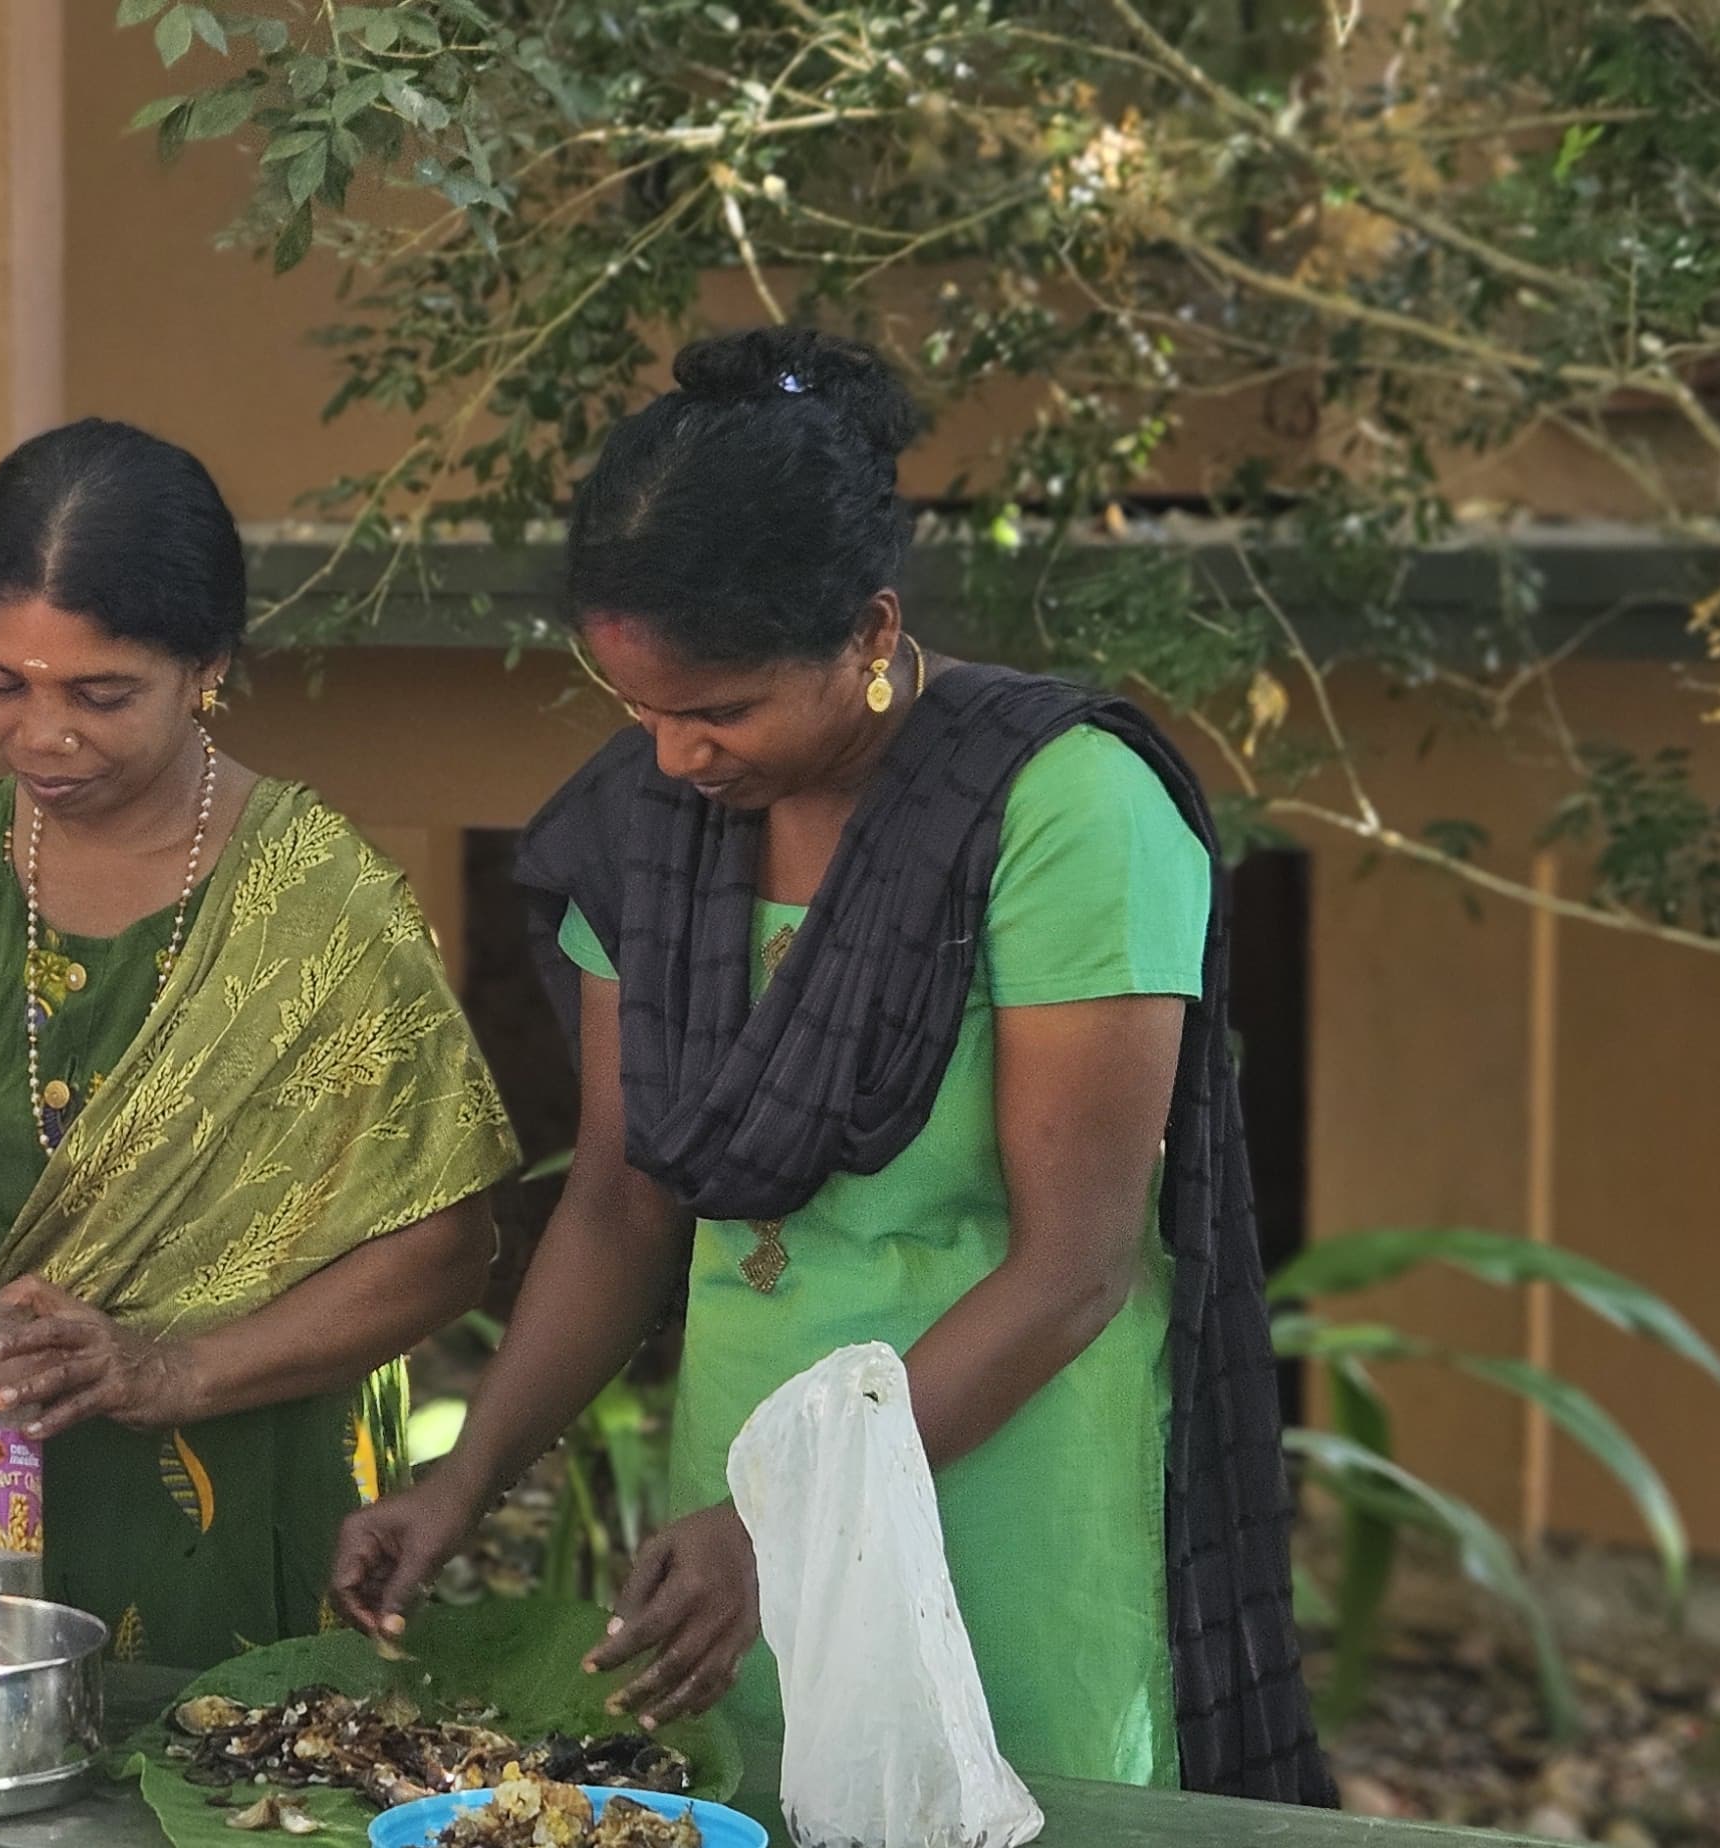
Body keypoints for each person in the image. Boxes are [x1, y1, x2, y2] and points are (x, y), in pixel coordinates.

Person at [325, 328, 1332, 1803]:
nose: (674, 759)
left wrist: (789, 1527)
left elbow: (1074, 1271)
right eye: (640, 711)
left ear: (869, 635)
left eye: (720, 711)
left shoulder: (1066, 810)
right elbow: (619, 1200)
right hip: (737, 1496)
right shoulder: (650, 822)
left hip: (994, 1490)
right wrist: (463, 1483)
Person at [0, 419, 516, 1670]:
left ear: (205, 667)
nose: (40, 734)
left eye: (98, 694)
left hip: (242, 1475)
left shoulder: (321, 908)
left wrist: (171, 1369)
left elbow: (445, 1250)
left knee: (226, 1784)